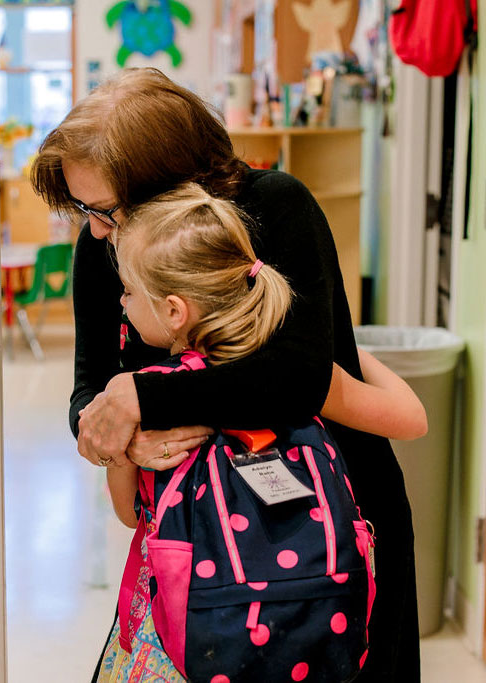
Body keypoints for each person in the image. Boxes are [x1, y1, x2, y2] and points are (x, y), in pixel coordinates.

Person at [31, 67, 422, 681]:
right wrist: (119, 432)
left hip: (334, 526)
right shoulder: (101, 246)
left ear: (165, 184)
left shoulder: (275, 206)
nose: (97, 228)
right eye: (85, 210)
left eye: (103, 209)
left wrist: (144, 396)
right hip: (197, 544)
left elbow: (296, 379)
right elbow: (92, 390)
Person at [100, 183, 426, 681]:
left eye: (127, 291)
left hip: (184, 644)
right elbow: (412, 416)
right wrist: (335, 344)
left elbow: (128, 512)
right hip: (307, 637)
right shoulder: (295, 385)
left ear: (173, 311)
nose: (121, 303)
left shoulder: (150, 396)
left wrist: (121, 450)